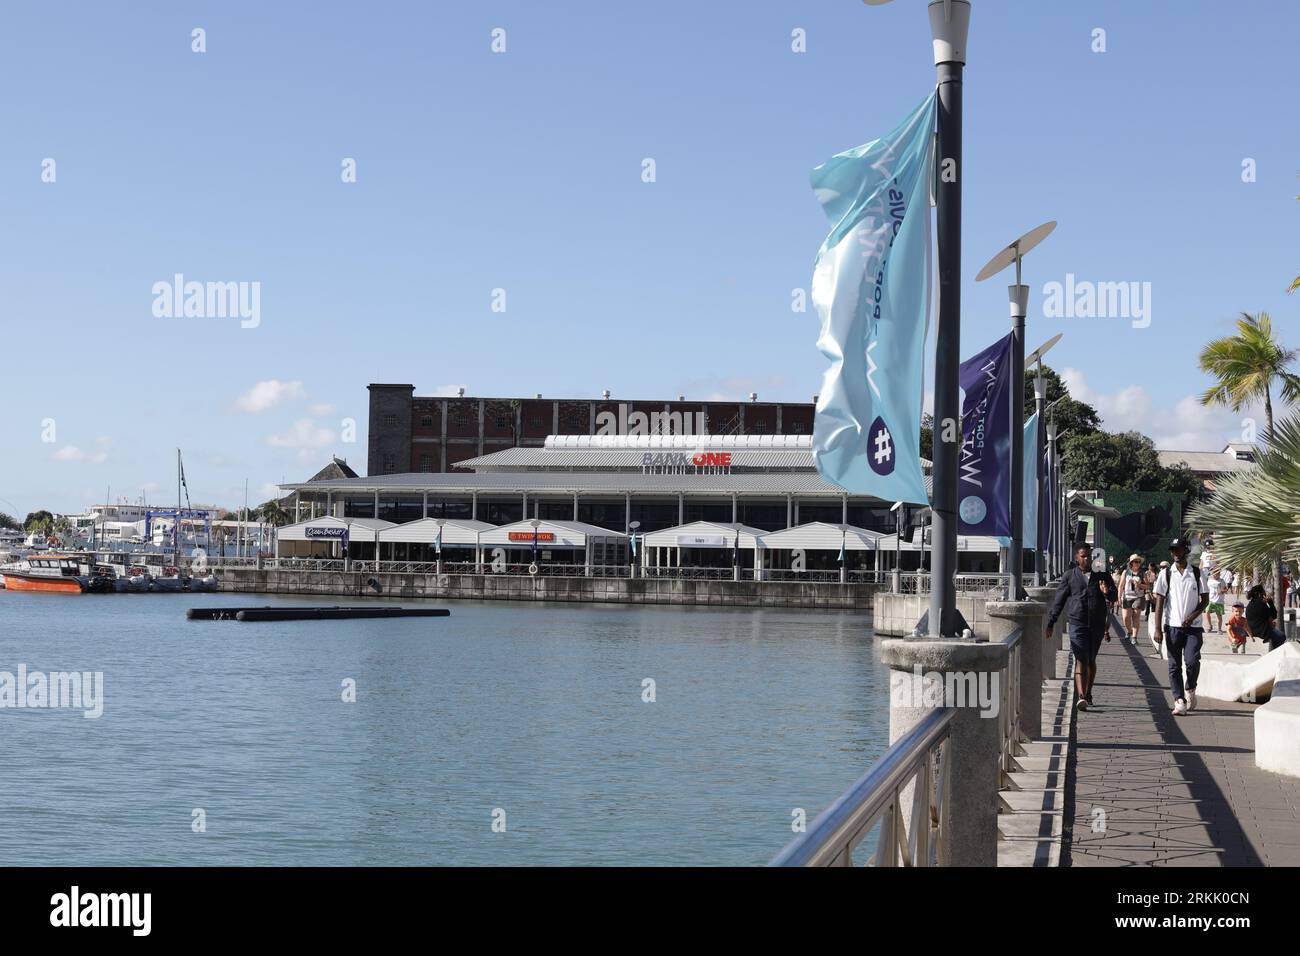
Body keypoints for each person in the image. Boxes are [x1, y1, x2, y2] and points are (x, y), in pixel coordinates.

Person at [1047, 544, 1113, 711]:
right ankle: (1081, 696)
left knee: (1091, 660)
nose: (1087, 559)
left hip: (1096, 624)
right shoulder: (1070, 576)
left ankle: (1089, 692)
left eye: (1089, 556)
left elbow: (1114, 596)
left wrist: (1106, 592)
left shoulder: (1101, 575)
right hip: (1077, 623)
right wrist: (1051, 622)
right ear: (1077, 557)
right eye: (1083, 556)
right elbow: (1059, 600)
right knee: (1080, 658)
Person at [1151, 538, 1209, 716]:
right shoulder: (1166, 573)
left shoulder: (1197, 573)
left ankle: (1190, 688)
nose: (1175, 553)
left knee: (1191, 662)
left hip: (1193, 628)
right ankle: (1179, 700)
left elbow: (1205, 600)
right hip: (1172, 626)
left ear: (1186, 550)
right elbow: (1160, 601)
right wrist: (1158, 628)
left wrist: (1192, 617)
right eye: (1173, 550)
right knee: (1174, 665)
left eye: (1178, 550)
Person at [1245, 584, 1286, 652]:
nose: (1265, 594)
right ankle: (1275, 653)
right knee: (1281, 636)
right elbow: (1273, 616)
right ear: (1259, 594)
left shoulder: (1250, 605)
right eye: (1264, 592)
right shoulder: (1262, 605)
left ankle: (1273, 652)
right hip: (1262, 632)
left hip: (1252, 630)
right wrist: (1270, 602)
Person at [1119, 554, 1146, 641]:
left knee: (1136, 616)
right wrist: (1119, 597)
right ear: (1131, 563)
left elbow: (1148, 586)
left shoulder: (1142, 573)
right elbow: (1121, 586)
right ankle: (1129, 631)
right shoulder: (1126, 572)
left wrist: (1139, 584)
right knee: (1126, 618)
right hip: (1127, 597)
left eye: (1139, 562)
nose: (1138, 563)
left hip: (1138, 597)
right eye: (1136, 561)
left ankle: (1134, 637)